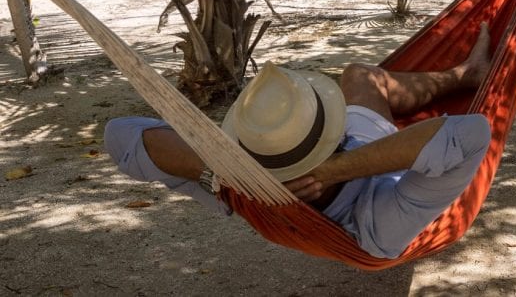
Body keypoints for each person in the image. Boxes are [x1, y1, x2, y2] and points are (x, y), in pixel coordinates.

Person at [104, 24, 493, 259]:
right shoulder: (375, 226)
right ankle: (468, 75)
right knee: (362, 77)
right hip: (374, 150)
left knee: (359, 75)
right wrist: (335, 169)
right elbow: (471, 133)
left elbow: (120, 135)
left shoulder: (248, 190)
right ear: (334, 134)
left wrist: (228, 175)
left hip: (310, 156)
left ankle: (464, 75)